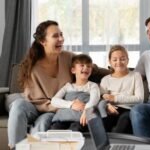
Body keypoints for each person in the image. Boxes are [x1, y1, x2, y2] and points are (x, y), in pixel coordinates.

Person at [7, 20, 76, 149]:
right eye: (55, 36)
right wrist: (63, 106)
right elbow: (35, 101)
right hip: (35, 106)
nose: (61, 39)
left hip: (54, 109)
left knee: (44, 122)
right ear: (43, 41)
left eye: (61, 34)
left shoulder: (69, 58)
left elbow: (91, 68)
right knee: (18, 105)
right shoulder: (31, 65)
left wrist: (120, 71)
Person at [99, 45, 144, 133]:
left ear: (128, 60)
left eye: (122, 59)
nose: (119, 62)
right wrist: (107, 106)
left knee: (124, 120)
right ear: (110, 62)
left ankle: (116, 144)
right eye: (115, 60)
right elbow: (100, 98)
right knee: (102, 122)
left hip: (129, 110)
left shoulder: (135, 76)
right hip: (111, 109)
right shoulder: (105, 79)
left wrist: (115, 98)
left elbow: (139, 99)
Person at [50, 54, 100, 129]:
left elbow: (94, 100)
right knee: (55, 129)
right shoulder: (68, 86)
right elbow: (54, 101)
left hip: (80, 119)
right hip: (64, 118)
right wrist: (71, 104)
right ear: (73, 70)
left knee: (75, 129)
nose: (86, 68)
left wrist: (87, 111)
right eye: (82, 65)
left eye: (89, 66)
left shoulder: (93, 86)